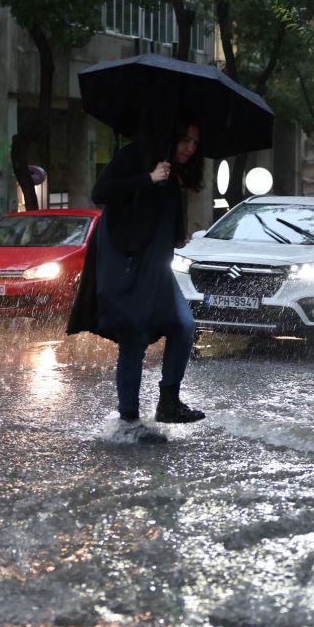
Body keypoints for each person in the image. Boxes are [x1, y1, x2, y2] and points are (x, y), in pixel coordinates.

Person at [67, 120, 205, 444]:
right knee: (133, 336)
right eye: (185, 139)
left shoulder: (173, 174)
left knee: (184, 325)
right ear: (169, 137)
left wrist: (177, 236)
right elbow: (101, 192)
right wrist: (148, 178)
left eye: (195, 143)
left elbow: (161, 217)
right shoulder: (135, 157)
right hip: (125, 264)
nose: (190, 148)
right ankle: (128, 418)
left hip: (156, 267)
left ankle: (168, 402)